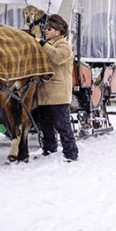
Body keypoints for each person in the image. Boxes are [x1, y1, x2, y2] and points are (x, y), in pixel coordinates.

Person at [33, 13, 79, 162]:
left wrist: (42, 44)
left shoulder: (64, 45)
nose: (46, 31)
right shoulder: (48, 44)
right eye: (46, 28)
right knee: (46, 126)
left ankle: (71, 153)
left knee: (62, 125)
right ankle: (49, 149)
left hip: (59, 95)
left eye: (50, 29)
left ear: (58, 32)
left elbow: (57, 57)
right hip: (45, 94)